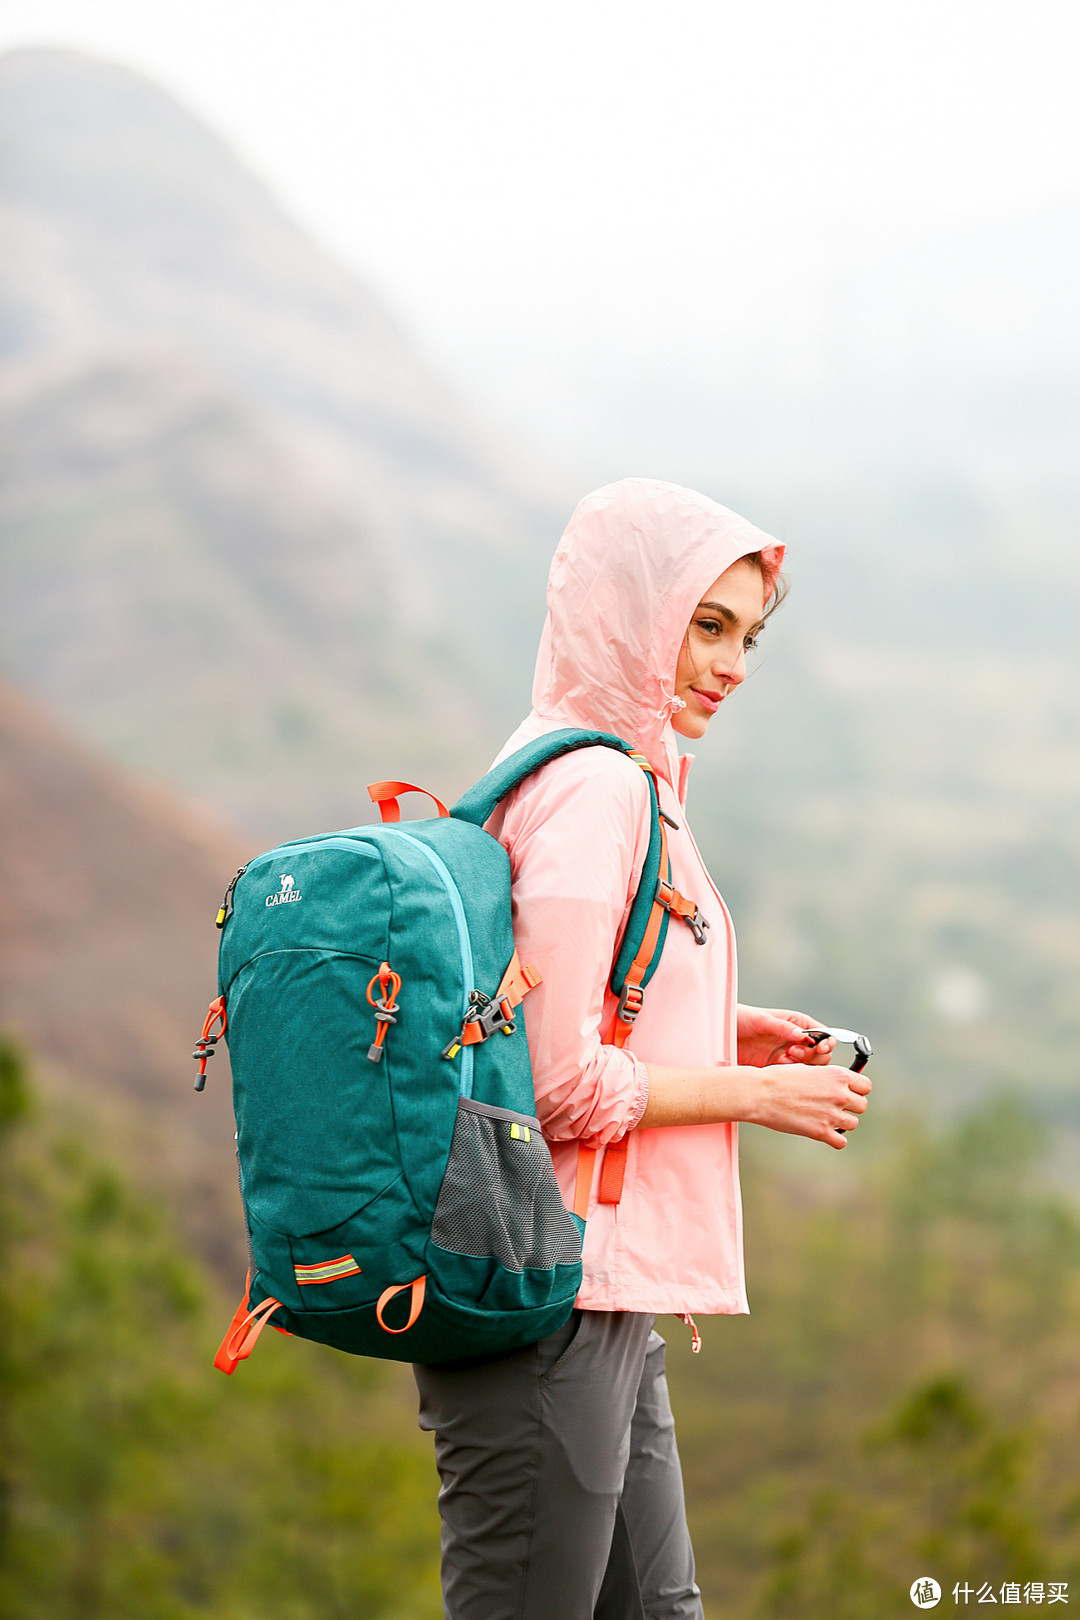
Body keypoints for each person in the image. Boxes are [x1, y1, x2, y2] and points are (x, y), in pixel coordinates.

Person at [413, 478, 872, 1620]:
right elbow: (559, 1084)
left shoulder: (615, 774)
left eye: (749, 635)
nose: (733, 665)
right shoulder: (596, 790)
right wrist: (752, 1102)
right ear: (629, 615)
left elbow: (561, 1012)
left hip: (603, 1289)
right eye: (705, 627)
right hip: (541, 1289)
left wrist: (729, 1030)